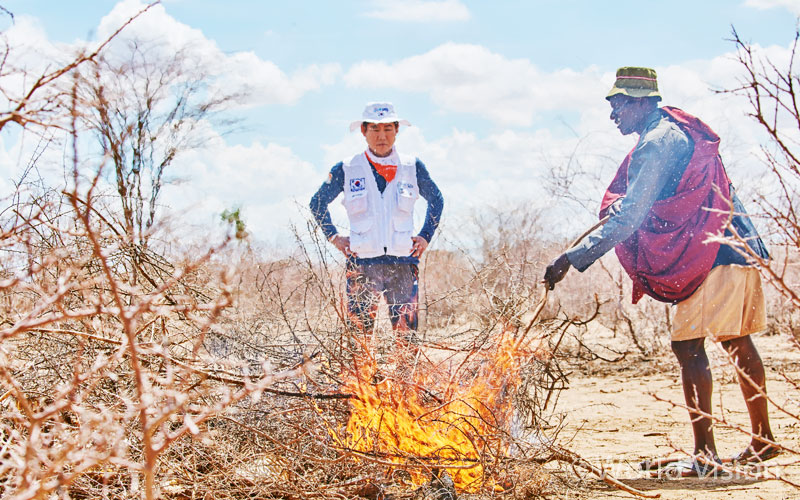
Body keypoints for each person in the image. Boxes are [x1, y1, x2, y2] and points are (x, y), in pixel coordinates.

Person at [543, 67, 778, 476]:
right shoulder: (672, 129)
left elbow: (630, 218)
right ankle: (762, 440)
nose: (613, 114)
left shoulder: (656, 143)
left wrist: (570, 258)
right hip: (734, 241)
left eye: (617, 105)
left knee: (688, 347)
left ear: (638, 102)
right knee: (736, 340)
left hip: (711, 250)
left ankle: (705, 456)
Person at [310, 101, 444, 344]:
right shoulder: (347, 168)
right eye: (374, 129)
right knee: (359, 337)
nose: (382, 136)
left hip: (402, 263)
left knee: (407, 337)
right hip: (361, 264)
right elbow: (317, 202)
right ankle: (360, 381)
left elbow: (436, 199)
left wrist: (425, 235)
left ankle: (406, 382)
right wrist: (334, 237)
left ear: (396, 130)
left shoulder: (412, 166)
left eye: (388, 129)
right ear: (363, 131)